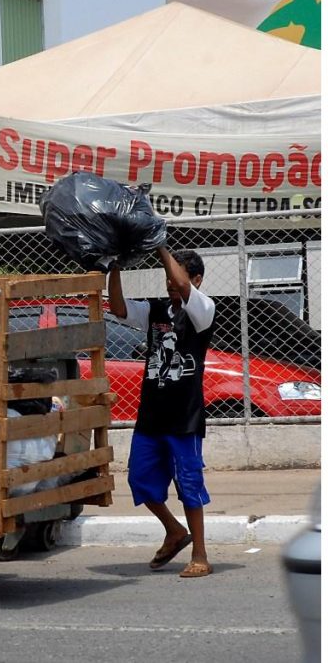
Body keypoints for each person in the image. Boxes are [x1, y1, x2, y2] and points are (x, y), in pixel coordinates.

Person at [108, 247, 216, 578]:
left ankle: (200, 555)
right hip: (151, 417)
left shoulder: (203, 309)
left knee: (189, 485)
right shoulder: (156, 310)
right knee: (140, 480)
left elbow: (182, 286)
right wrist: (115, 267)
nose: (170, 282)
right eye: (166, 276)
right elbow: (119, 308)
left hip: (184, 419)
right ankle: (174, 530)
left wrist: (158, 246)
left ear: (197, 279)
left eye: (176, 275)